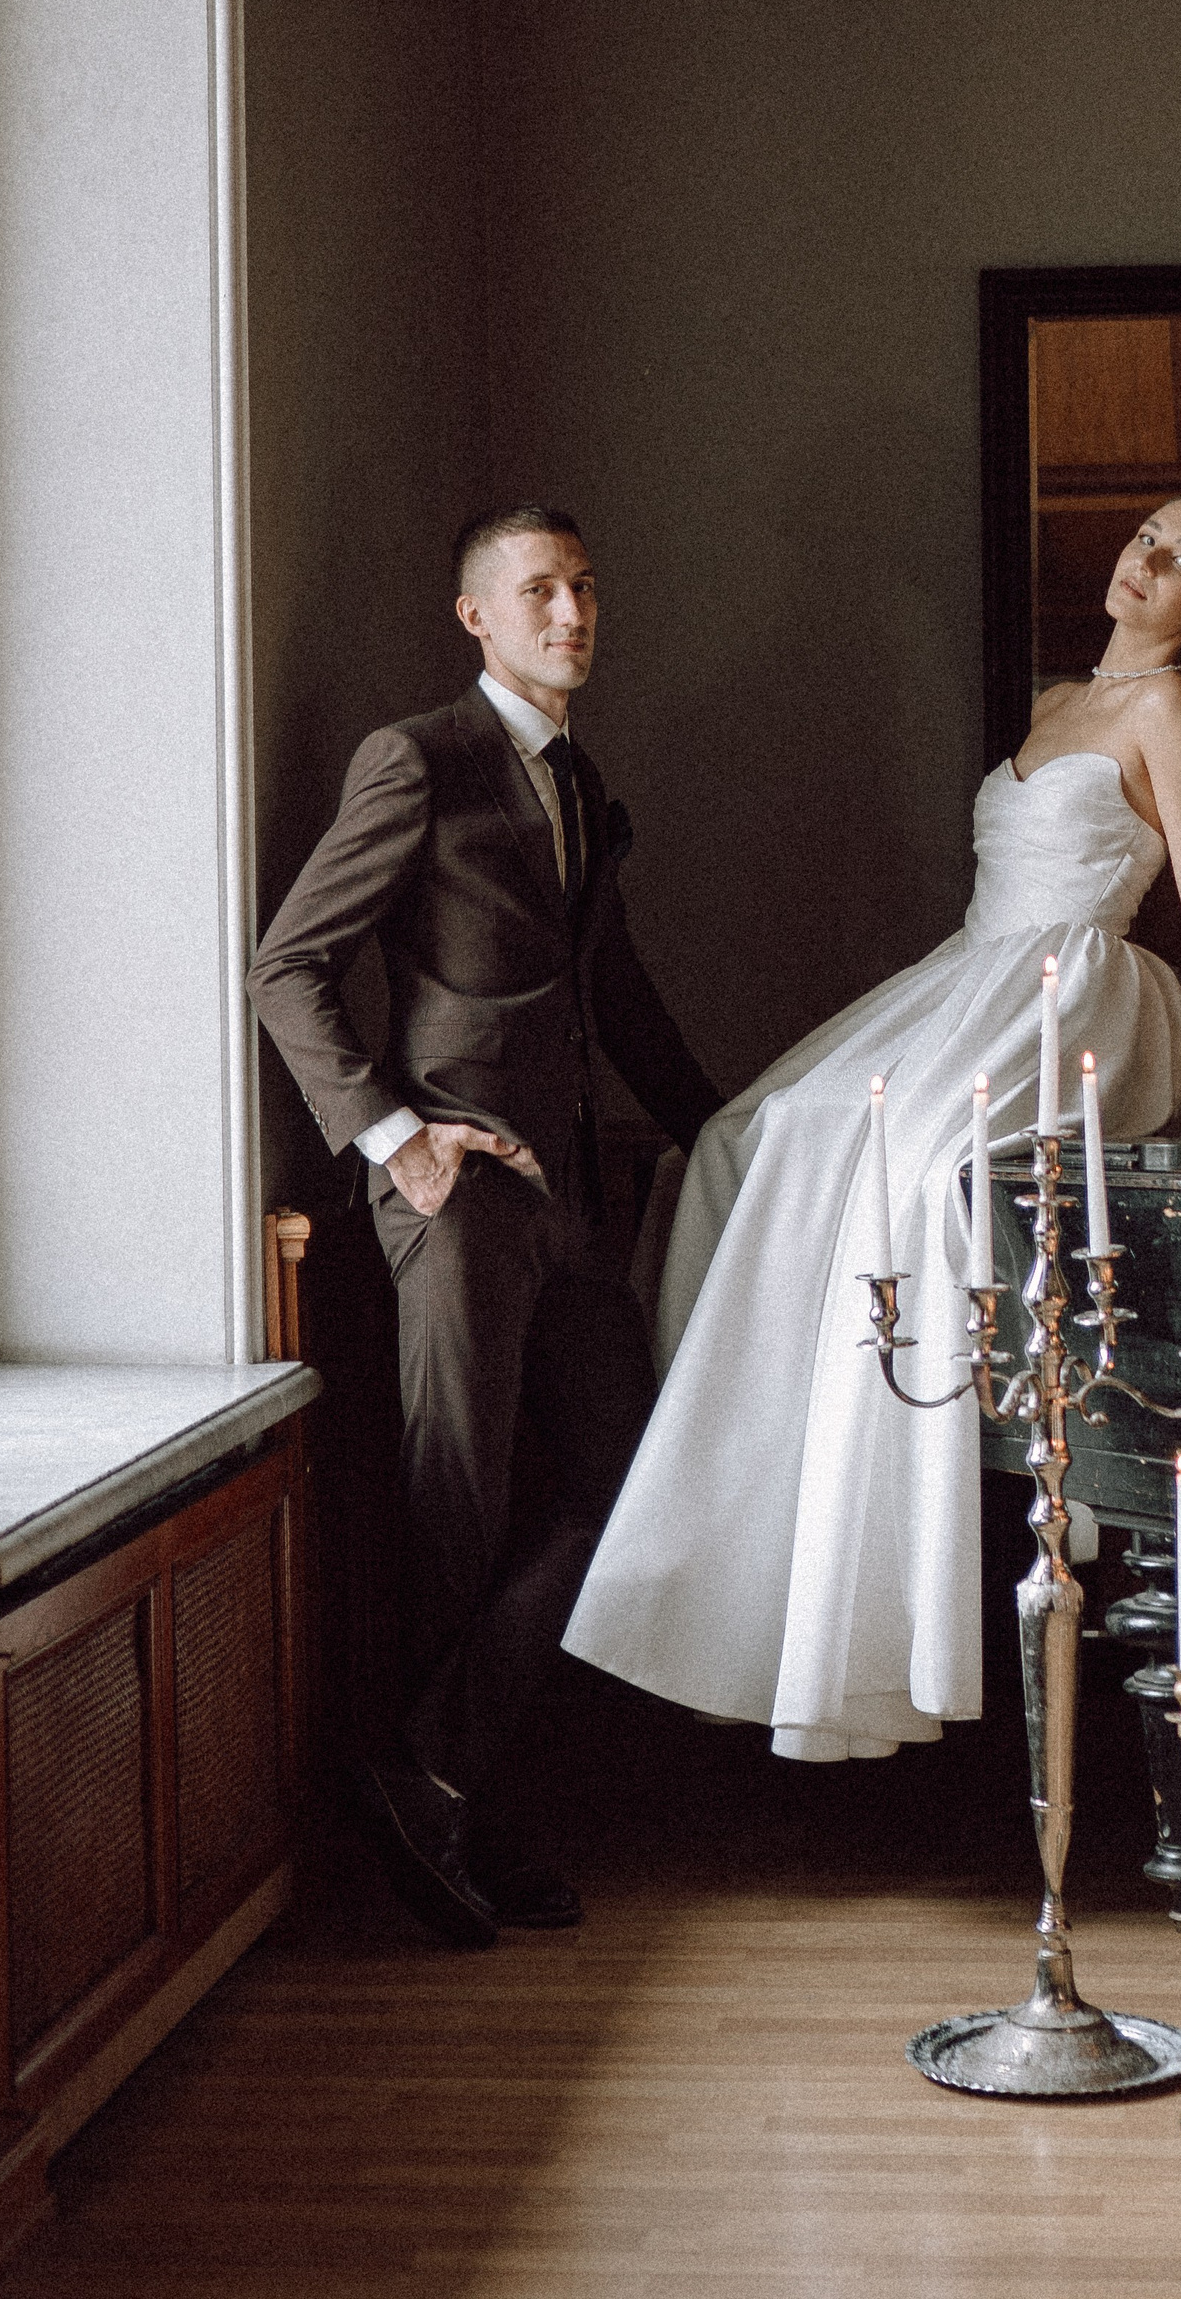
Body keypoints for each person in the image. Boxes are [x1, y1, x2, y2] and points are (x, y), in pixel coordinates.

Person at [563, 493, 1181, 1762]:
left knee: (909, 1165)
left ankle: (863, 1602)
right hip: (973, 971)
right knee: (746, 1139)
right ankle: (726, 1555)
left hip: (1074, 991)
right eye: (1147, 536)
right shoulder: (1058, 700)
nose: (1146, 560)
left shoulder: (1174, 713)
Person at [247, 505, 721, 1946]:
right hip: (452, 1202)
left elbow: (613, 994)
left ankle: (434, 1778)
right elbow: (288, 968)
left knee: (624, 1484)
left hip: (568, 1199)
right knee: (454, 1515)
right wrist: (398, 1139)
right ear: (476, 617)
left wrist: (735, 1131)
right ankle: (453, 1812)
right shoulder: (418, 759)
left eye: (585, 587)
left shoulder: (580, 780)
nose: (572, 613)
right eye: (538, 592)